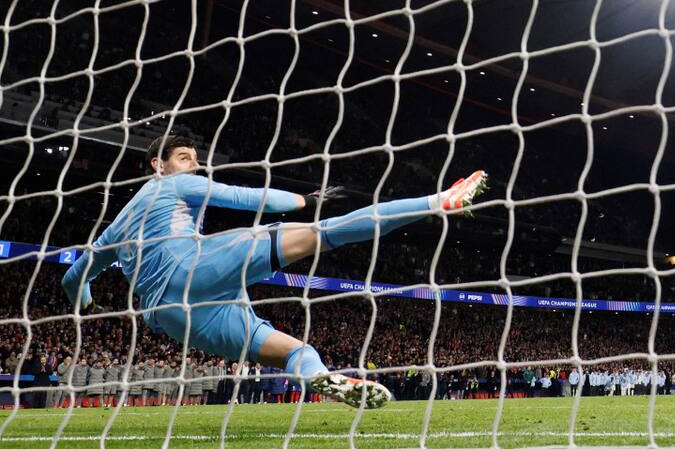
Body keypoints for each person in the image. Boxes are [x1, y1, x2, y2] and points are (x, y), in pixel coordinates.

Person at [60, 134, 487, 410]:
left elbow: (74, 277)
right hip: (192, 266)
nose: (194, 165)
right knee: (326, 232)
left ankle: (319, 378)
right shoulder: (170, 184)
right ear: (158, 164)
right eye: (185, 158)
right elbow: (244, 197)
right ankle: (439, 201)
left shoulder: (113, 230)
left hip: (171, 316)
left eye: (196, 159)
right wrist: (303, 201)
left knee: (293, 352)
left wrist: (85, 300)